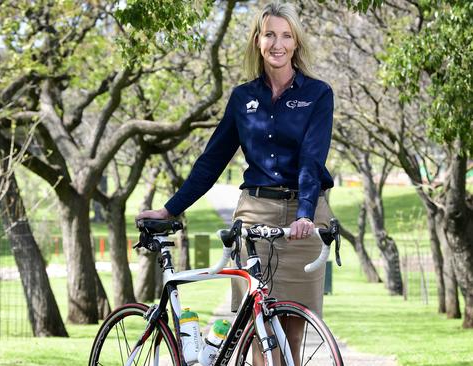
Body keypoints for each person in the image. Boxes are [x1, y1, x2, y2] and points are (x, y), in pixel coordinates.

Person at [136, 2, 334, 365]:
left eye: (286, 36)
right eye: (270, 34)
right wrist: (170, 208)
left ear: (296, 43)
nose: (278, 43)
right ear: (258, 41)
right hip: (256, 212)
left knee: (291, 330)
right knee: (258, 328)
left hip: (304, 219)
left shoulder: (318, 94)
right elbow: (212, 160)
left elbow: (312, 158)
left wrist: (305, 213)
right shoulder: (243, 98)